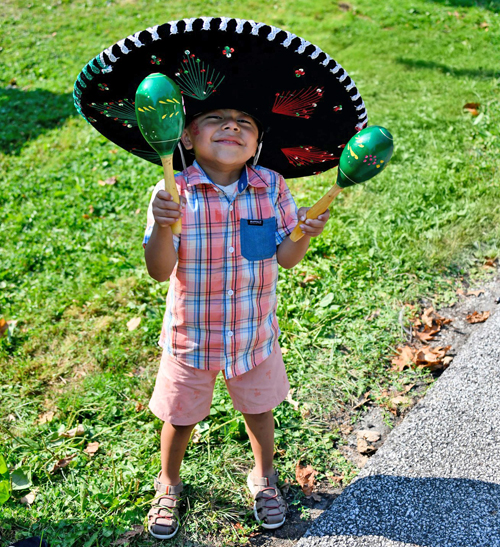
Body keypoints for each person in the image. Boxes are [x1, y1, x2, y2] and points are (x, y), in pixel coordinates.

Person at [143, 108, 330, 539]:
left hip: (253, 335)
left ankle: (264, 477)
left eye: (245, 123)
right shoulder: (174, 191)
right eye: (216, 119)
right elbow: (158, 270)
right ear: (187, 138)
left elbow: (284, 256)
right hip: (191, 337)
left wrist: (303, 232)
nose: (232, 126)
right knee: (179, 417)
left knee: (259, 410)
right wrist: (162, 227)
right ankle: (168, 484)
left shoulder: (272, 187)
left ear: (257, 142)